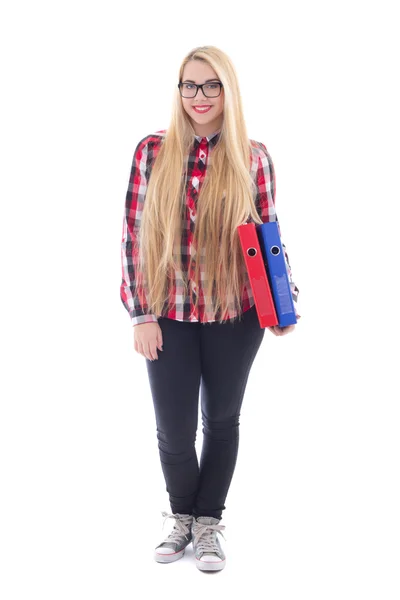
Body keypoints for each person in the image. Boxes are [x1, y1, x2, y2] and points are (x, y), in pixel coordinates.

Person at [120, 45, 301, 572]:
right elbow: (132, 237)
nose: (199, 97)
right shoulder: (151, 152)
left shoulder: (253, 156)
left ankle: (208, 523)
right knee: (173, 429)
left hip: (235, 313)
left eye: (211, 85)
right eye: (190, 86)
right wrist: (140, 313)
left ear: (229, 91)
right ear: (178, 92)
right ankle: (180, 517)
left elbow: (269, 235)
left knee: (221, 420)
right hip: (168, 314)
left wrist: (282, 306)